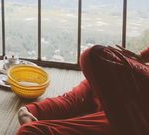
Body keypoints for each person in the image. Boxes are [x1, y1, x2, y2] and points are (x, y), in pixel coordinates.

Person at [16, 45, 149, 135]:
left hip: (138, 111)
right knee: (29, 131)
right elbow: (71, 100)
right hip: (120, 124)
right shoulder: (96, 85)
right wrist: (27, 111)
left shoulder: (132, 78)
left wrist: (143, 56)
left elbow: (97, 56)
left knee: (94, 54)